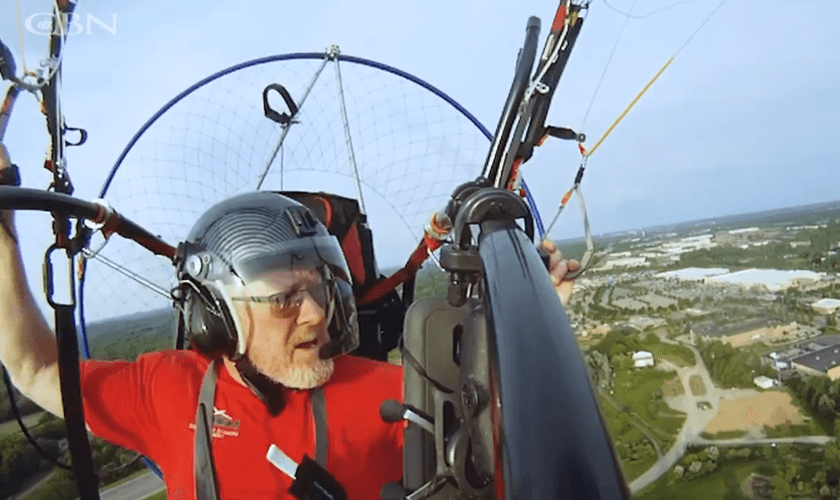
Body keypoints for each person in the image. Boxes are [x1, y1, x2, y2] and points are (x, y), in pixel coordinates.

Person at [0, 141, 579, 499]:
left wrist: (539, 320)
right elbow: (32, 364)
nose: (318, 313)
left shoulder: (394, 397)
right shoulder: (169, 391)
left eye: (323, 289)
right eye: (285, 299)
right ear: (218, 316)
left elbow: (513, 441)